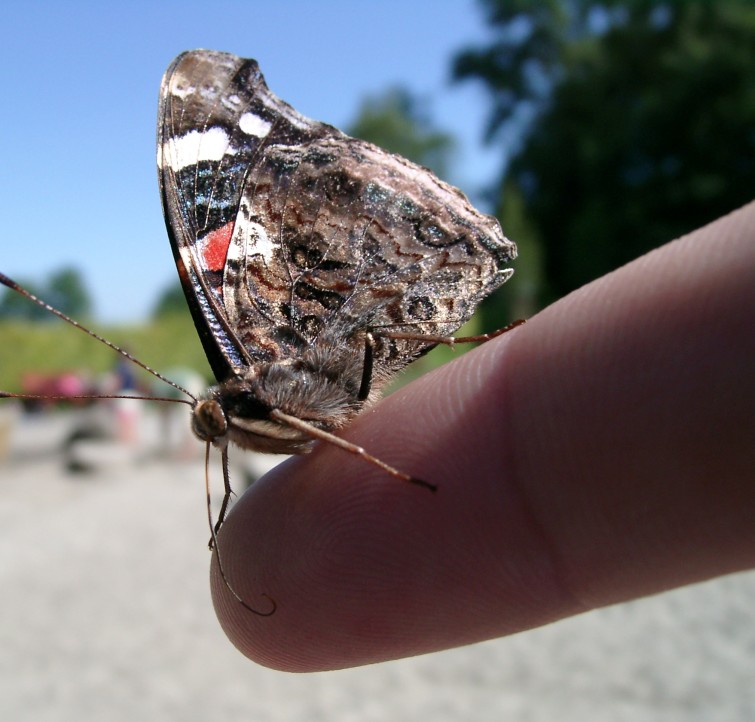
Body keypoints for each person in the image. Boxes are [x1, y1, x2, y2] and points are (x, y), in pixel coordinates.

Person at [208, 202, 755, 672]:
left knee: (369, 338)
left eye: (214, 423)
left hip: (371, 298)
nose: (216, 432)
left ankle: (478, 335)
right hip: (342, 365)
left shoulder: (251, 381)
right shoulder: (246, 412)